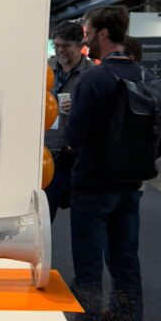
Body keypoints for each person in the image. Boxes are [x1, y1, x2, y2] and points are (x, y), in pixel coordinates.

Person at [65, 5, 161, 321]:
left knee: (89, 274)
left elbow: (74, 137)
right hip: (131, 189)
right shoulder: (150, 79)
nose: (85, 39)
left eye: (88, 32)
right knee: (127, 270)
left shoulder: (92, 81)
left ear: (104, 33)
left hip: (92, 188)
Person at [44, 20, 93, 220]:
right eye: (57, 45)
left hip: (78, 156)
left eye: (66, 46)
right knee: (45, 215)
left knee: (84, 219)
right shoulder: (46, 68)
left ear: (80, 45)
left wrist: (82, 107)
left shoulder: (91, 74)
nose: (60, 50)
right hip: (49, 152)